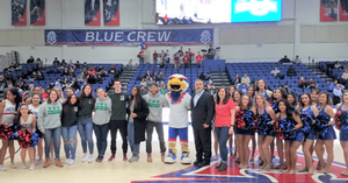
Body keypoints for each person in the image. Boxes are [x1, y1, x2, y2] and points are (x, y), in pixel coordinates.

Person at [191, 80, 215, 168]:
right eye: (196, 84)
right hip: (195, 123)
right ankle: (199, 158)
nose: (198, 86)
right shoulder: (193, 95)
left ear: (203, 85)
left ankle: (207, 160)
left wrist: (207, 122)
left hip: (204, 124)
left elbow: (210, 110)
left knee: (206, 142)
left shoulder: (208, 96)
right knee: (197, 142)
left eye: (199, 84)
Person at [37, 90, 63, 168]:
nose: (53, 95)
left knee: (57, 144)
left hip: (57, 127)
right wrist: (41, 128)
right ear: (49, 95)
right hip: (47, 128)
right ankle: (47, 159)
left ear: (57, 96)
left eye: (55, 94)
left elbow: (61, 115)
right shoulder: (43, 105)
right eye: (52, 94)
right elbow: (40, 118)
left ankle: (57, 159)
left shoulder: (60, 104)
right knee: (47, 144)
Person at [277, 100, 303, 175]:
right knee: (287, 150)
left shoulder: (292, 113)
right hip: (287, 134)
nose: (282, 106)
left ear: (287, 106)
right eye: (280, 105)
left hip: (297, 132)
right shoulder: (278, 115)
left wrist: (291, 129)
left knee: (292, 150)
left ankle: (293, 169)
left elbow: (300, 124)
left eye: (283, 105)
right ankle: (288, 167)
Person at [143, 84, 168, 162]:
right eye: (152, 87)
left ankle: (163, 153)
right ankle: (149, 154)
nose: (153, 89)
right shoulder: (145, 97)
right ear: (150, 88)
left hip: (158, 121)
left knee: (161, 138)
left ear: (158, 88)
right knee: (149, 139)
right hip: (149, 121)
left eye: (155, 87)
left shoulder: (162, 98)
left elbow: (170, 105)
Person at [0, 87, 22, 171]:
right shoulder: (4, 102)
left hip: (12, 126)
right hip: (3, 126)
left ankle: (12, 161)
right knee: (5, 145)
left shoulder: (17, 104)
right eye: (7, 94)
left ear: (14, 96)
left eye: (9, 94)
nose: (7, 96)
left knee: (11, 145)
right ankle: (1, 163)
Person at [253, 94, 276, 171]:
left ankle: (268, 164)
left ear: (263, 99)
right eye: (257, 98)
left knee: (264, 146)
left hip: (270, 129)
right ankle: (265, 162)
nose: (259, 100)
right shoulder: (256, 109)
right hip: (261, 129)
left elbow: (275, 119)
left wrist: (269, 123)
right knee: (260, 145)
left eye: (260, 98)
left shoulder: (269, 109)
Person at [214, 87, 235, 171]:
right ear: (218, 93)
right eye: (219, 91)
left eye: (223, 91)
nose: (221, 93)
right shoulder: (216, 102)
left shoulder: (230, 101)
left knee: (222, 143)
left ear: (225, 92)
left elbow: (233, 114)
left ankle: (225, 162)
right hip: (217, 125)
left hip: (226, 125)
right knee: (220, 143)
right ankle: (222, 161)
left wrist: (232, 126)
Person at [314, 92, 336, 173]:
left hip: (328, 131)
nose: (321, 98)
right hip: (320, 131)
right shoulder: (318, 107)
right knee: (316, 148)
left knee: (329, 150)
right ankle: (323, 163)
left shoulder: (328, 107)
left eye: (323, 97)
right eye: (320, 97)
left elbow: (336, 118)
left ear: (327, 98)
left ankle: (328, 168)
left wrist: (328, 123)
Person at [108, 80, 129, 162]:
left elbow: (129, 105)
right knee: (113, 139)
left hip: (122, 120)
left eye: (118, 84)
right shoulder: (111, 95)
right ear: (113, 85)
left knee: (124, 138)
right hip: (113, 120)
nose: (117, 85)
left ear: (121, 85)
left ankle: (125, 154)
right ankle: (113, 154)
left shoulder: (125, 95)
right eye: (115, 84)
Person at [298, 93, 319, 175]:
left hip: (310, 131)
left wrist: (313, 122)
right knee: (307, 150)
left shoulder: (313, 108)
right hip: (302, 131)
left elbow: (318, 119)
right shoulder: (300, 108)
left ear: (309, 98)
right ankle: (307, 166)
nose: (304, 99)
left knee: (306, 150)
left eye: (306, 98)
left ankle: (311, 168)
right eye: (302, 98)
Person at [127, 86, 149, 162]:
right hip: (129, 122)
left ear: (138, 91)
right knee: (130, 139)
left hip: (137, 123)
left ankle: (135, 154)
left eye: (135, 90)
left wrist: (137, 115)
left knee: (135, 139)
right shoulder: (130, 99)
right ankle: (134, 153)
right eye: (132, 89)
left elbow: (146, 112)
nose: (133, 91)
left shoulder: (141, 100)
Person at [14, 104, 37, 170]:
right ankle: (23, 162)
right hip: (22, 135)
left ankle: (32, 163)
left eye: (25, 109)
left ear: (28, 109)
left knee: (30, 148)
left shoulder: (32, 117)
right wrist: (20, 135)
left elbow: (34, 127)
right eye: (22, 109)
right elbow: (16, 129)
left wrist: (32, 134)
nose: (24, 110)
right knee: (23, 149)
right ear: (20, 110)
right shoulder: (17, 118)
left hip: (30, 134)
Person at [234, 95, 254, 169]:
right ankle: (242, 161)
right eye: (244, 99)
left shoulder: (252, 109)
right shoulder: (237, 108)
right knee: (240, 145)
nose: (245, 100)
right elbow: (233, 117)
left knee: (246, 145)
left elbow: (254, 119)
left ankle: (246, 162)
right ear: (241, 100)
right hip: (238, 128)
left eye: (247, 99)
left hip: (248, 129)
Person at [93, 88, 112, 162]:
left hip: (105, 123)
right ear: (97, 94)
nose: (100, 93)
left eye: (101, 91)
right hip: (96, 123)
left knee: (103, 139)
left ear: (104, 92)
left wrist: (108, 119)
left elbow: (111, 111)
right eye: (98, 92)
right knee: (98, 139)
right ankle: (99, 153)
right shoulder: (96, 100)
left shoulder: (109, 100)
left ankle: (101, 154)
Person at [78, 84, 96, 163]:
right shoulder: (79, 99)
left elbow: (96, 109)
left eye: (89, 88)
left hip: (88, 119)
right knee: (83, 138)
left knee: (89, 138)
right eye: (86, 88)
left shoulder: (93, 99)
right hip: (79, 120)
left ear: (91, 90)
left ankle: (91, 154)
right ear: (83, 89)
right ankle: (85, 153)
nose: (87, 90)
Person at [61, 94, 79, 165]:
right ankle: (68, 157)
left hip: (73, 126)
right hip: (64, 126)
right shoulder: (64, 105)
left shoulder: (77, 106)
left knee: (71, 141)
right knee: (66, 142)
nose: (73, 99)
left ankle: (73, 158)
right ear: (69, 99)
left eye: (74, 98)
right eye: (72, 98)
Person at [336, 91, 348, 175]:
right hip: (342, 130)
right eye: (346, 95)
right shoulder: (338, 106)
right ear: (342, 97)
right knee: (344, 150)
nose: (347, 96)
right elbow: (337, 118)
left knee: (346, 150)